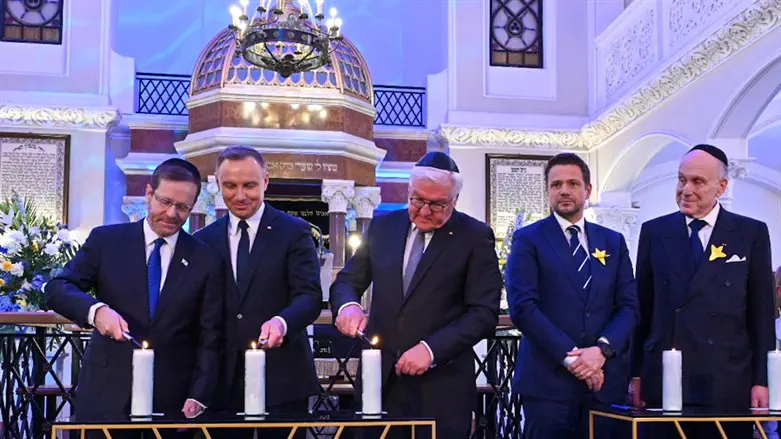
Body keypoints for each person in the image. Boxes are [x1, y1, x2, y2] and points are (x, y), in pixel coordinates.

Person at [330, 151, 502, 439]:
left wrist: (431, 349)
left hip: (439, 388)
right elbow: (348, 280)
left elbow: (483, 313)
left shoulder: (475, 237)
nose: (423, 211)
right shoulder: (383, 227)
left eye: (436, 204)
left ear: (454, 200)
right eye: (417, 200)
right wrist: (347, 306)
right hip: (379, 381)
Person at [45, 159, 223, 436]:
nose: (172, 213)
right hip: (107, 391)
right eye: (165, 201)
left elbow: (211, 334)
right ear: (149, 194)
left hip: (172, 398)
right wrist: (96, 311)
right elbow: (57, 288)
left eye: (183, 207)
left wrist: (199, 394)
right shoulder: (107, 241)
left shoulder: (205, 258)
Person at [631, 144, 775, 439]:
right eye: (681, 179)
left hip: (727, 379)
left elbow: (762, 313)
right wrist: (635, 374)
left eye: (698, 182)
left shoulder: (751, 233)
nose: (686, 189)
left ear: (721, 186)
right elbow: (641, 310)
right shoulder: (654, 232)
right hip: (667, 381)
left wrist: (762, 380)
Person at [504, 153, 638, 439]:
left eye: (573, 184)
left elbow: (628, 306)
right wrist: (575, 360)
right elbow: (523, 308)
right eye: (556, 185)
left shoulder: (612, 241)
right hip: (549, 384)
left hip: (604, 383)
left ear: (587, 190)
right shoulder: (528, 239)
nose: (564, 190)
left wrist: (601, 351)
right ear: (548, 191)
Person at [193, 146, 322, 438]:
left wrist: (282, 322)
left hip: (282, 378)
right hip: (220, 381)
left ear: (265, 181)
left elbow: (309, 296)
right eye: (230, 186)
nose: (240, 195)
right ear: (217, 183)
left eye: (249, 185)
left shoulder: (295, 231)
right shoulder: (203, 240)